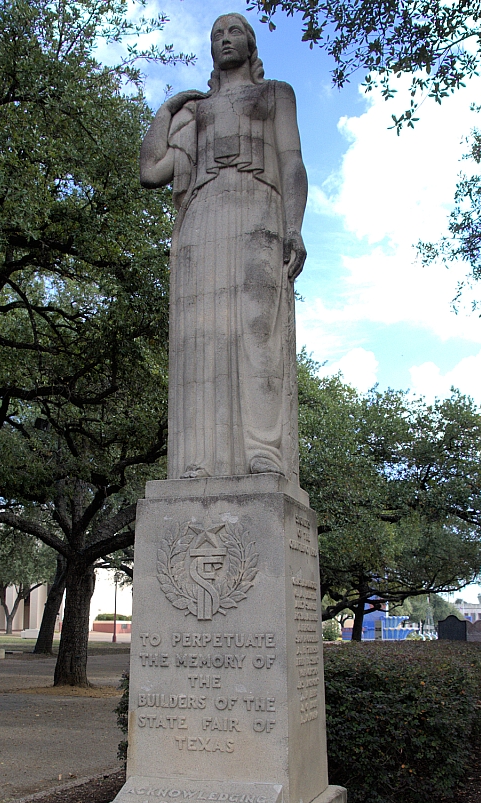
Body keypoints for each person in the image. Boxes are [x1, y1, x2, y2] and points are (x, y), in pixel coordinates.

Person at [140, 12, 308, 481]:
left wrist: (293, 227)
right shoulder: (195, 111)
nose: (225, 40)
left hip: (259, 212)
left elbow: (293, 163)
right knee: (201, 337)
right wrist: (166, 110)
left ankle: (263, 453)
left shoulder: (275, 93)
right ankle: (195, 460)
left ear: (251, 44)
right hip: (203, 220)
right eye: (216, 34)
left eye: (234, 32)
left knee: (258, 329)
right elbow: (151, 171)